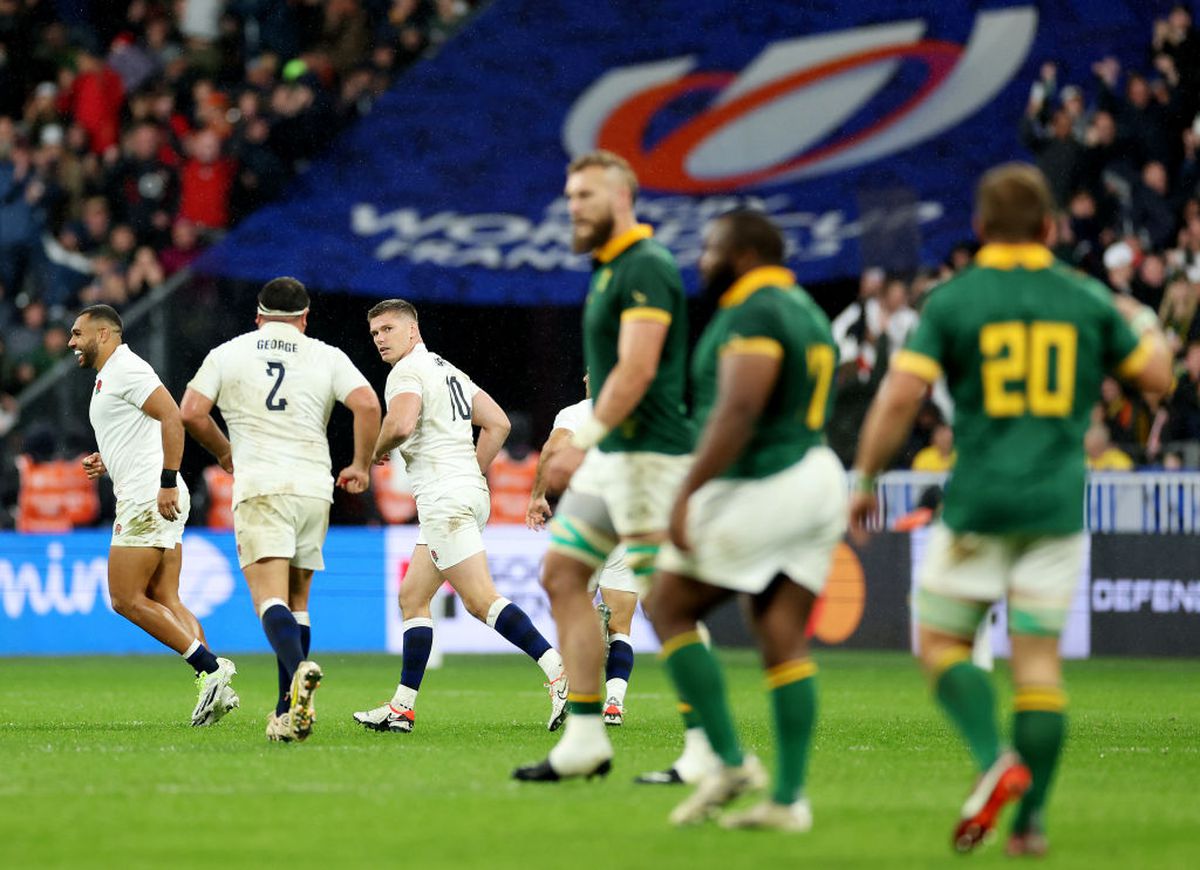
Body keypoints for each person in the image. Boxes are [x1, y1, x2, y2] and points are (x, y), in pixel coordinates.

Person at [848, 163, 1171, 856]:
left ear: (980, 227)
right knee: (1039, 669)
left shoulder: (954, 300)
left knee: (938, 644)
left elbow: (900, 398)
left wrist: (865, 477)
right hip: (1057, 508)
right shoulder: (1083, 298)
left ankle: (995, 758)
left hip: (979, 503)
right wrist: (1140, 316)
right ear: (1051, 227)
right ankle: (1030, 827)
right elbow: (1157, 377)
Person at [644, 211, 846, 831]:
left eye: (709, 247)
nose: (701, 258)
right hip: (816, 472)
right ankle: (788, 800)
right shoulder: (806, 309)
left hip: (770, 477)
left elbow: (739, 406)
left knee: (669, 603)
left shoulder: (754, 310)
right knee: (781, 630)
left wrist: (688, 491)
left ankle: (729, 761)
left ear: (742, 253)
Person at [514, 150, 694, 782]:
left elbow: (638, 370)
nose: (573, 207)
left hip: (646, 455)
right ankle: (588, 735)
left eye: (584, 196)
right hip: (619, 457)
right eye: (569, 197)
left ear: (621, 198)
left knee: (666, 607)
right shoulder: (609, 269)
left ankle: (715, 752)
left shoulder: (644, 265)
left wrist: (583, 441)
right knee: (562, 576)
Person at [180, 277, 381, 743]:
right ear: (304, 319)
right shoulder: (326, 354)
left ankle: (300, 669)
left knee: (268, 599)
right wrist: (360, 464)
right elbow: (368, 403)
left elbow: (191, 411)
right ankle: (285, 712)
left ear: (258, 315)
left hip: (262, 484)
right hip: (315, 487)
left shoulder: (229, 352)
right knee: (298, 602)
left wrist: (224, 452)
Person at [351, 299, 567, 734]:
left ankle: (561, 673)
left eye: (388, 330)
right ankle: (402, 708)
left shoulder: (406, 373)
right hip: (463, 491)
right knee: (413, 596)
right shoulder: (447, 369)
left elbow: (401, 423)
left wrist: (371, 454)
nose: (380, 340)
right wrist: (471, 470)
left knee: (479, 600)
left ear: (413, 331)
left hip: (445, 498)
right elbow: (499, 424)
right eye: (375, 333)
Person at [68, 303, 238, 726]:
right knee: (165, 597)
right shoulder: (109, 377)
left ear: (104, 334)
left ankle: (211, 669)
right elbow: (138, 429)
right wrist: (107, 459)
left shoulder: (127, 368)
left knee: (125, 598)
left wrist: (166, 479)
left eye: (77, 334)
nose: (72, 342)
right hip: (152, 490)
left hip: (149, 495)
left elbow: (172, 417)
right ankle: (216, 687)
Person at [527, 375, 640, 727]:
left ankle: (578, 695)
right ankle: (615, 703)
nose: (584, 377)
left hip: (589, 516)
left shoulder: (577, 413)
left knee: (574, 609)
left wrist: (537, 497)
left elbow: (552, 448)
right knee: (621, 624)